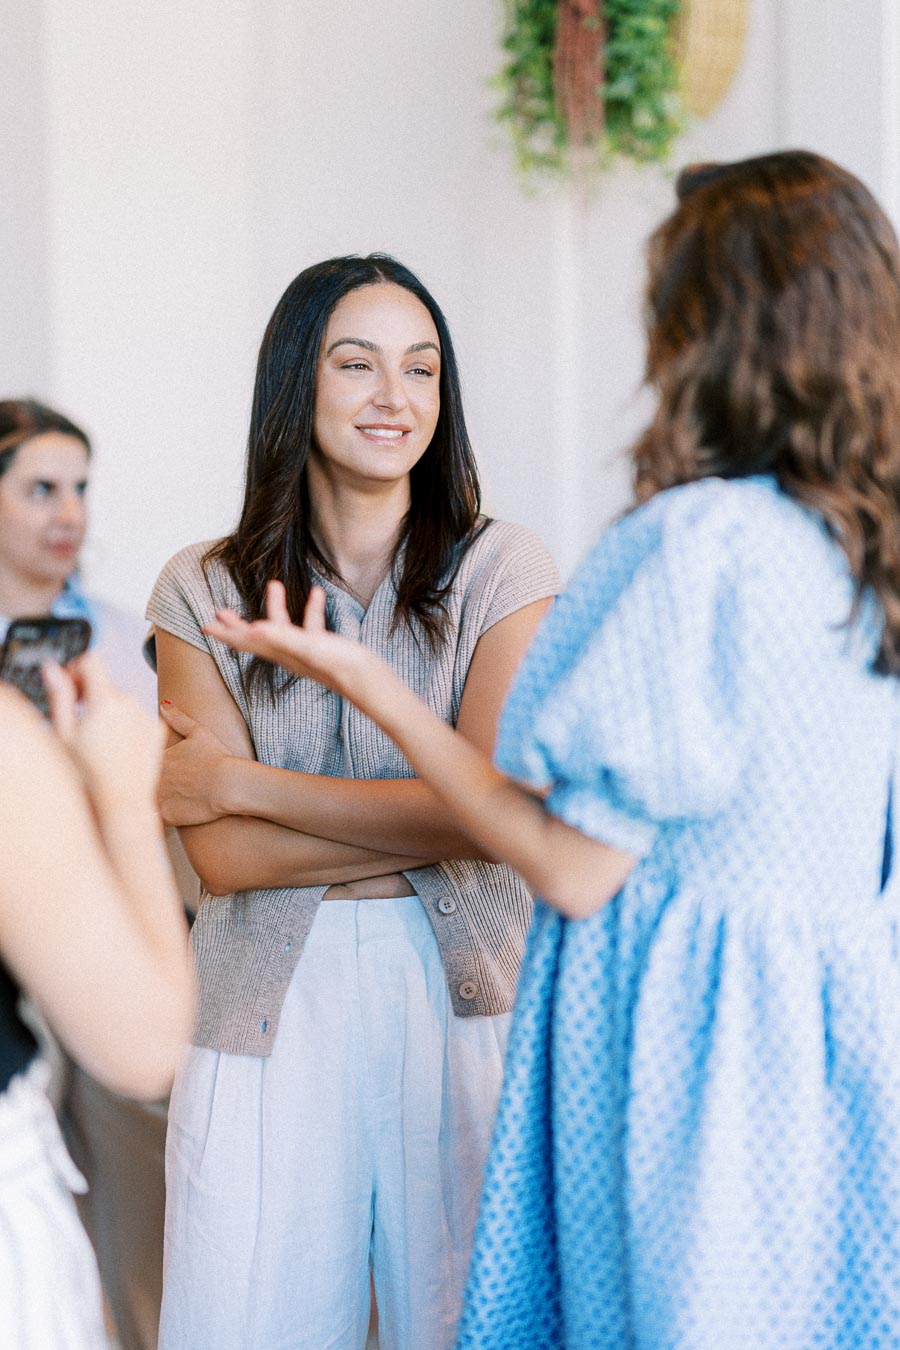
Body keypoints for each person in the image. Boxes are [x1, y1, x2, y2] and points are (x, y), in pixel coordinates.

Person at [206, 151, 900, 1349]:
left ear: (706, 322)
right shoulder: (860, 542)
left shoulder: (698, 545)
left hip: (692, 1050)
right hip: (835, 1039)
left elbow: (574, 867)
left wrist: (367, 687)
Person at [147, 253, 559, 1349]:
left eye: (422, 370)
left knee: (475, 1324)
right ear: (298, 383)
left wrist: (242, 785)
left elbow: (495, 808)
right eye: (358, 364)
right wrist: (444, 819)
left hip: (470, 1007)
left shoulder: (504, 570)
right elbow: (224, 863)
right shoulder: (201, 587)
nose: (396, 398)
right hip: (259, 1019)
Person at [0, 398, 198, 1350]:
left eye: (80, 487)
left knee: (134, 1198)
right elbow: (149, 1037)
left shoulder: (123, 641)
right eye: (41, 487)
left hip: (107, 941)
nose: (67, 512)